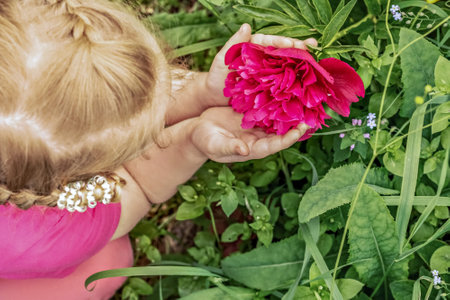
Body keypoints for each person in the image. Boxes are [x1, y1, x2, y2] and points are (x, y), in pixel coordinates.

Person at [0, 0, 316, 299]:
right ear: (64, 181)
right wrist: (191, 142)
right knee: (109, 263)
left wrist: (200, 93)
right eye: (135, 140)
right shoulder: (42, 237)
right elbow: (137, 186)